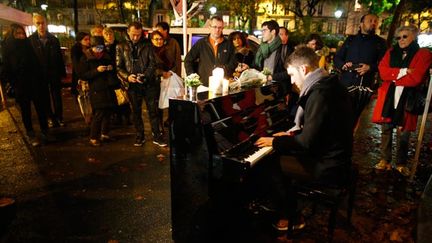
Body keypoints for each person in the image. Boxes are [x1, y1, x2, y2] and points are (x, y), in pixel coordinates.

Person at [255, 46, 354, 230]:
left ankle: (291, 215)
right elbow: (318, 129)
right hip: (337, 156)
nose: (292, 81)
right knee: (278, 153)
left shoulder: (319, 94)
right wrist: (291, 134)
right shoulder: (331, 84)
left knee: (271, 161)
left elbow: (306, 143)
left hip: (328, 165)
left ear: (304, 69)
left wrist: (276, 142)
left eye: (292, 75)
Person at [372, 25, 432, 173]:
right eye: (398, 37)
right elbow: (383, 72)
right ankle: (384, 159)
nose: (401, 40)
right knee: (386, 128)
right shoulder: (391, 52)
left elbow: (416, 78)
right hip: (388, 96)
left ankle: (401, 163)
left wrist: (393, 77)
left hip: (408, 98)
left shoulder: (423, 54)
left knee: (403, 132)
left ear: (413, 37)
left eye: (405, 36)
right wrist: (404, 71)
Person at [116, 22, 167, 147]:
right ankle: (140, 136)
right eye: (133, 34)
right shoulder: (121, 46)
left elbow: (152, 63)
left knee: (153, 111)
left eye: (138, 35)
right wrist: (128, 77)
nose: (135, 37)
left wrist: (145, 75)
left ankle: (157, 135)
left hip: (148, 83)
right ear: (128, 31)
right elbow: (118, 67)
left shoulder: (147, 44)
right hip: (132, 85)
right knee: (136, 112)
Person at [1, 24, 50, 146]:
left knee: (41, 108)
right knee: (26, 110)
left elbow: (36, 63)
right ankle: (31, 134)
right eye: (18, 34)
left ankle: (45, 131)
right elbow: (6, 67)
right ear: (12, 35)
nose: (21, 36)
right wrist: (12, 82)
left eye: (22, 33)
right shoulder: (8, 49)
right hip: (20, 85)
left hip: (35, 82)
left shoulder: (28, 46)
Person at [333, 13, 386, 123]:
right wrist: (343, 65)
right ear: (361, 24)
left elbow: (384, 64)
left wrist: (370, 67)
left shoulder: (380, 43)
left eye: (376, 21)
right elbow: (337, 57)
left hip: (364, 86)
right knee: (339, 115)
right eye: (370, 20)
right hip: (345, 84)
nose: (373, 23)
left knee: (354, 117)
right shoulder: (350, 40)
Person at [76, 36, 118, 146]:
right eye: (97, 48)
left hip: (108, 88)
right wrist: (96, 71)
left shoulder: (107, 56)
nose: (99, 50)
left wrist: (110, 68)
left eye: (101, 47)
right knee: (99, 113)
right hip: (96, 89)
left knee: (108, 112)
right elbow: (83, 75)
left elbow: (114, 68)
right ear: (92, 47)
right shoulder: (86, 57)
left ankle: (105, 133)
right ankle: (93, 137)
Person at [29, 13, 66, 128]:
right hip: (40, 74)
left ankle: (59, 117)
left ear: (46, 23)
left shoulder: (54, 39)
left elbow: (59, 57)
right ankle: (50, 117)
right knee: (44, 97)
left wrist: (62, 72)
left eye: (42, 23)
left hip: (54, 73)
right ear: (34, 24)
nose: (41, 25)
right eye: (38, 23)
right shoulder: (31, 40)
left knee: (57, 96)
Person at [184, 16, 237, 86]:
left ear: (222, 28)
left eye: (220, 27)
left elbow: (233, 63)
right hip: (203, 85)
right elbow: (188, 60)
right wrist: (193, 77)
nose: (217, 30)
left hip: (222, 85)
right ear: (209, 27)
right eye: (214, 27)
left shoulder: (229, 44)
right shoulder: (201, 43)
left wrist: (224, 70)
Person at [103, 27, 131, 126]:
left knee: (123, 97)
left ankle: (126, 117)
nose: (109, 36)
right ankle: (118, 117)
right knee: (114, 98)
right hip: (110, 76)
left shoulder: (118, 45)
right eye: (106, 35)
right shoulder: (103, 47)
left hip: (119, 75)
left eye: (110, 34)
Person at [70, 32, 91, 97]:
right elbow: (76, 64)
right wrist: (80, 76)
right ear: (80, 40)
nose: (88, 41)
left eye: (89, 39)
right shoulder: (75, 49)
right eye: (85, 39)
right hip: (79, 76)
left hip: (88, 75)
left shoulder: (89, 48)